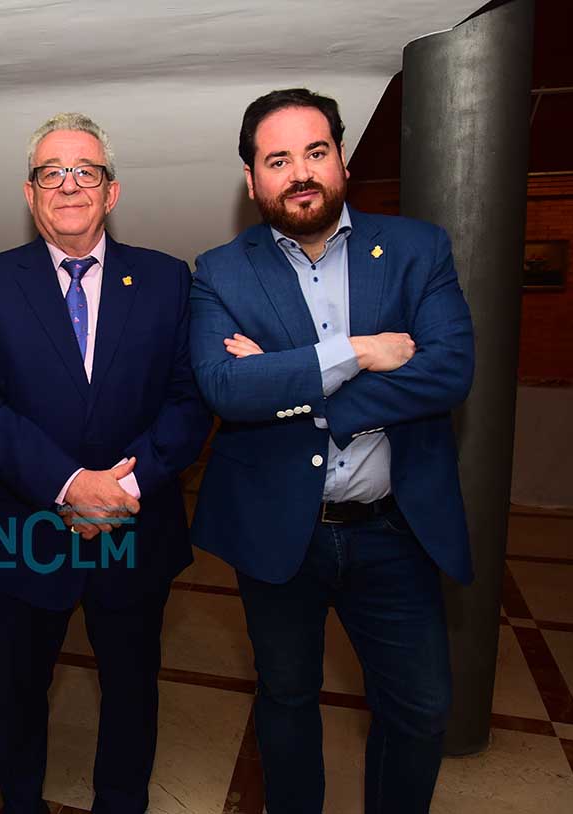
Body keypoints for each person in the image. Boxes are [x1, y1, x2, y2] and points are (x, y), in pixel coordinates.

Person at [189, 88, 476, 813]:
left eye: (315, 152)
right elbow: (226, 389)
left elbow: (448, 372)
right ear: (251, 178)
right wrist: (360, 351)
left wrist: (297, 386)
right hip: (278, 530)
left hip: (394, 530)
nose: (300, 173)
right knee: (286, 699)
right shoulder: (220, 270)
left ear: (341, 159)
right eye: (277, 159)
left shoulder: (416, 249)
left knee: (420, 709)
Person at [0, 112, 211, 814]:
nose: (68, 185)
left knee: (131, 686)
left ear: (111, 191)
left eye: (85, 172)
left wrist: (120, 488)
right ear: (30, 193)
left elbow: (189, 402)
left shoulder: (167, 279)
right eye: (51, 173)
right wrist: (69, 485)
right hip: (23, 523)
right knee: (16, 688)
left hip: (136, 519)